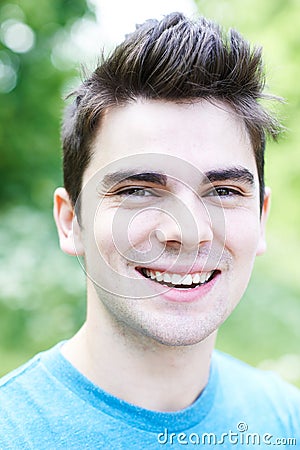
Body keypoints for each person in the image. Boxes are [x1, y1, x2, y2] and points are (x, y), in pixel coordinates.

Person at [0, 12, 299, 449]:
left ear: (262, 216)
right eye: (139, 190)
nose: (192, 231)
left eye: (223, 191)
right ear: (70, 222)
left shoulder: (285, 421)